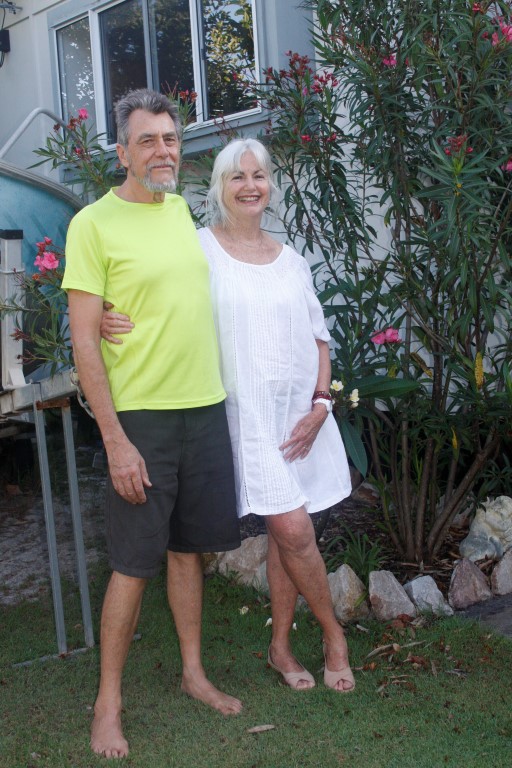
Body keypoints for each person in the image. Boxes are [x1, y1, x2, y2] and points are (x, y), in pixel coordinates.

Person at [102, 137, 355, 694]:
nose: (249, 185)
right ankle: (334, 635)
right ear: (219, 187)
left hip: (297, 419)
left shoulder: (292, 262)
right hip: (240, 419)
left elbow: (319, 338)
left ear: (270, 186)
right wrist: (99, 316)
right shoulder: (199, 249)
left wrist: (321, 405)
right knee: (293, 527)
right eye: (236, 176)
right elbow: (149, 292)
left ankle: (281, 647)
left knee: (282, 530)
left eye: (258, 175)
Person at [62, 89, 242, 760]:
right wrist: (115, 441)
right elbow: (84, 342)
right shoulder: (93, 224)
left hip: (203, 408)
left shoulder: (181, 214)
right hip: (141, 419)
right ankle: (107, 703)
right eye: (147, 140)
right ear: (122, 152)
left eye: (169, 138)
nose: (162, 150)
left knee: (188, 551)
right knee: (133, 565)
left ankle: (193, 673)